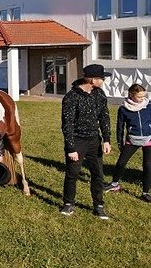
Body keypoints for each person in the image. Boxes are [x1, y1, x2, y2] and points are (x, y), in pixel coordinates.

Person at [60, 64, 112, 219]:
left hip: (94, 140)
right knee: (72, 173)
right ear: (91, 79)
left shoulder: (100, 94)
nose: (103, 81)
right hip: (77, 141)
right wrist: (71, 148)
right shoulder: (71, 97)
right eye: (101, 78)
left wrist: (107, 140)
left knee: (98, 174)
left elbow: (104, 117)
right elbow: (67, 124)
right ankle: (68, 204)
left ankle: (99, 206)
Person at [104, 84, 151, 202]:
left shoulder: (149, 105)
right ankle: (114, 184)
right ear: (131, 95)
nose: (142, 99)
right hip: (132, 140)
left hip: (148, 139)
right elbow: (120, 126)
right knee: (121, 163)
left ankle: (145, 192)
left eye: (143, 96)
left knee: (148, 166)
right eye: (139, 97)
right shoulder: (124, 108)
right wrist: (120, 143)